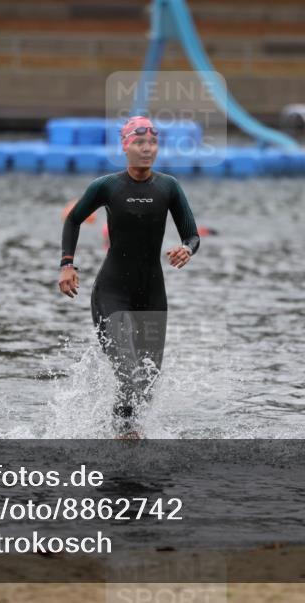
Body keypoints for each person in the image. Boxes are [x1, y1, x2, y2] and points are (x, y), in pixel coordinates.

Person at [58, 116, 200, 439]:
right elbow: (73, 219)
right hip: (112, 294)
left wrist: (186, 250)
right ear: (125, 146)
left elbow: (192, 235)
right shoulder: (107, 186)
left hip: (152, 294)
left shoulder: (168, 187)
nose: (147, 148)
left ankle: (124, 433)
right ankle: (122, 435)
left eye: (152, 143)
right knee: (128, 370)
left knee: (148, 380)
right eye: (139, 142)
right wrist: (67, 264)